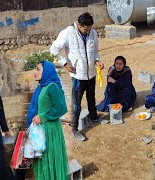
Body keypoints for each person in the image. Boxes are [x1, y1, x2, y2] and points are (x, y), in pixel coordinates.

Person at [50, 12, 104, 141]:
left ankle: (94, 117)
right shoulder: (68, 33)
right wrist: (65, 64)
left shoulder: (93, 33)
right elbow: (53, 49)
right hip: (78, 75)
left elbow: (95, 51)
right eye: (85, 29)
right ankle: (74, 128)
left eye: (89, 28)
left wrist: (97, 61)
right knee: (76, 104)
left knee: (91, 97)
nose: (88, 31)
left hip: (91, 73)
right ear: (79, 25)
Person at [26, 60, 69, 180]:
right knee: (43, 164)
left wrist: (42, 117)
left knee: (50, 162)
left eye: (38, 69)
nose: (35, 72)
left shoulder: (52, 87)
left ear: (47, 71)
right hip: (40, 132)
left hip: (50, 131)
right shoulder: (41, 87)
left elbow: (61, 108)